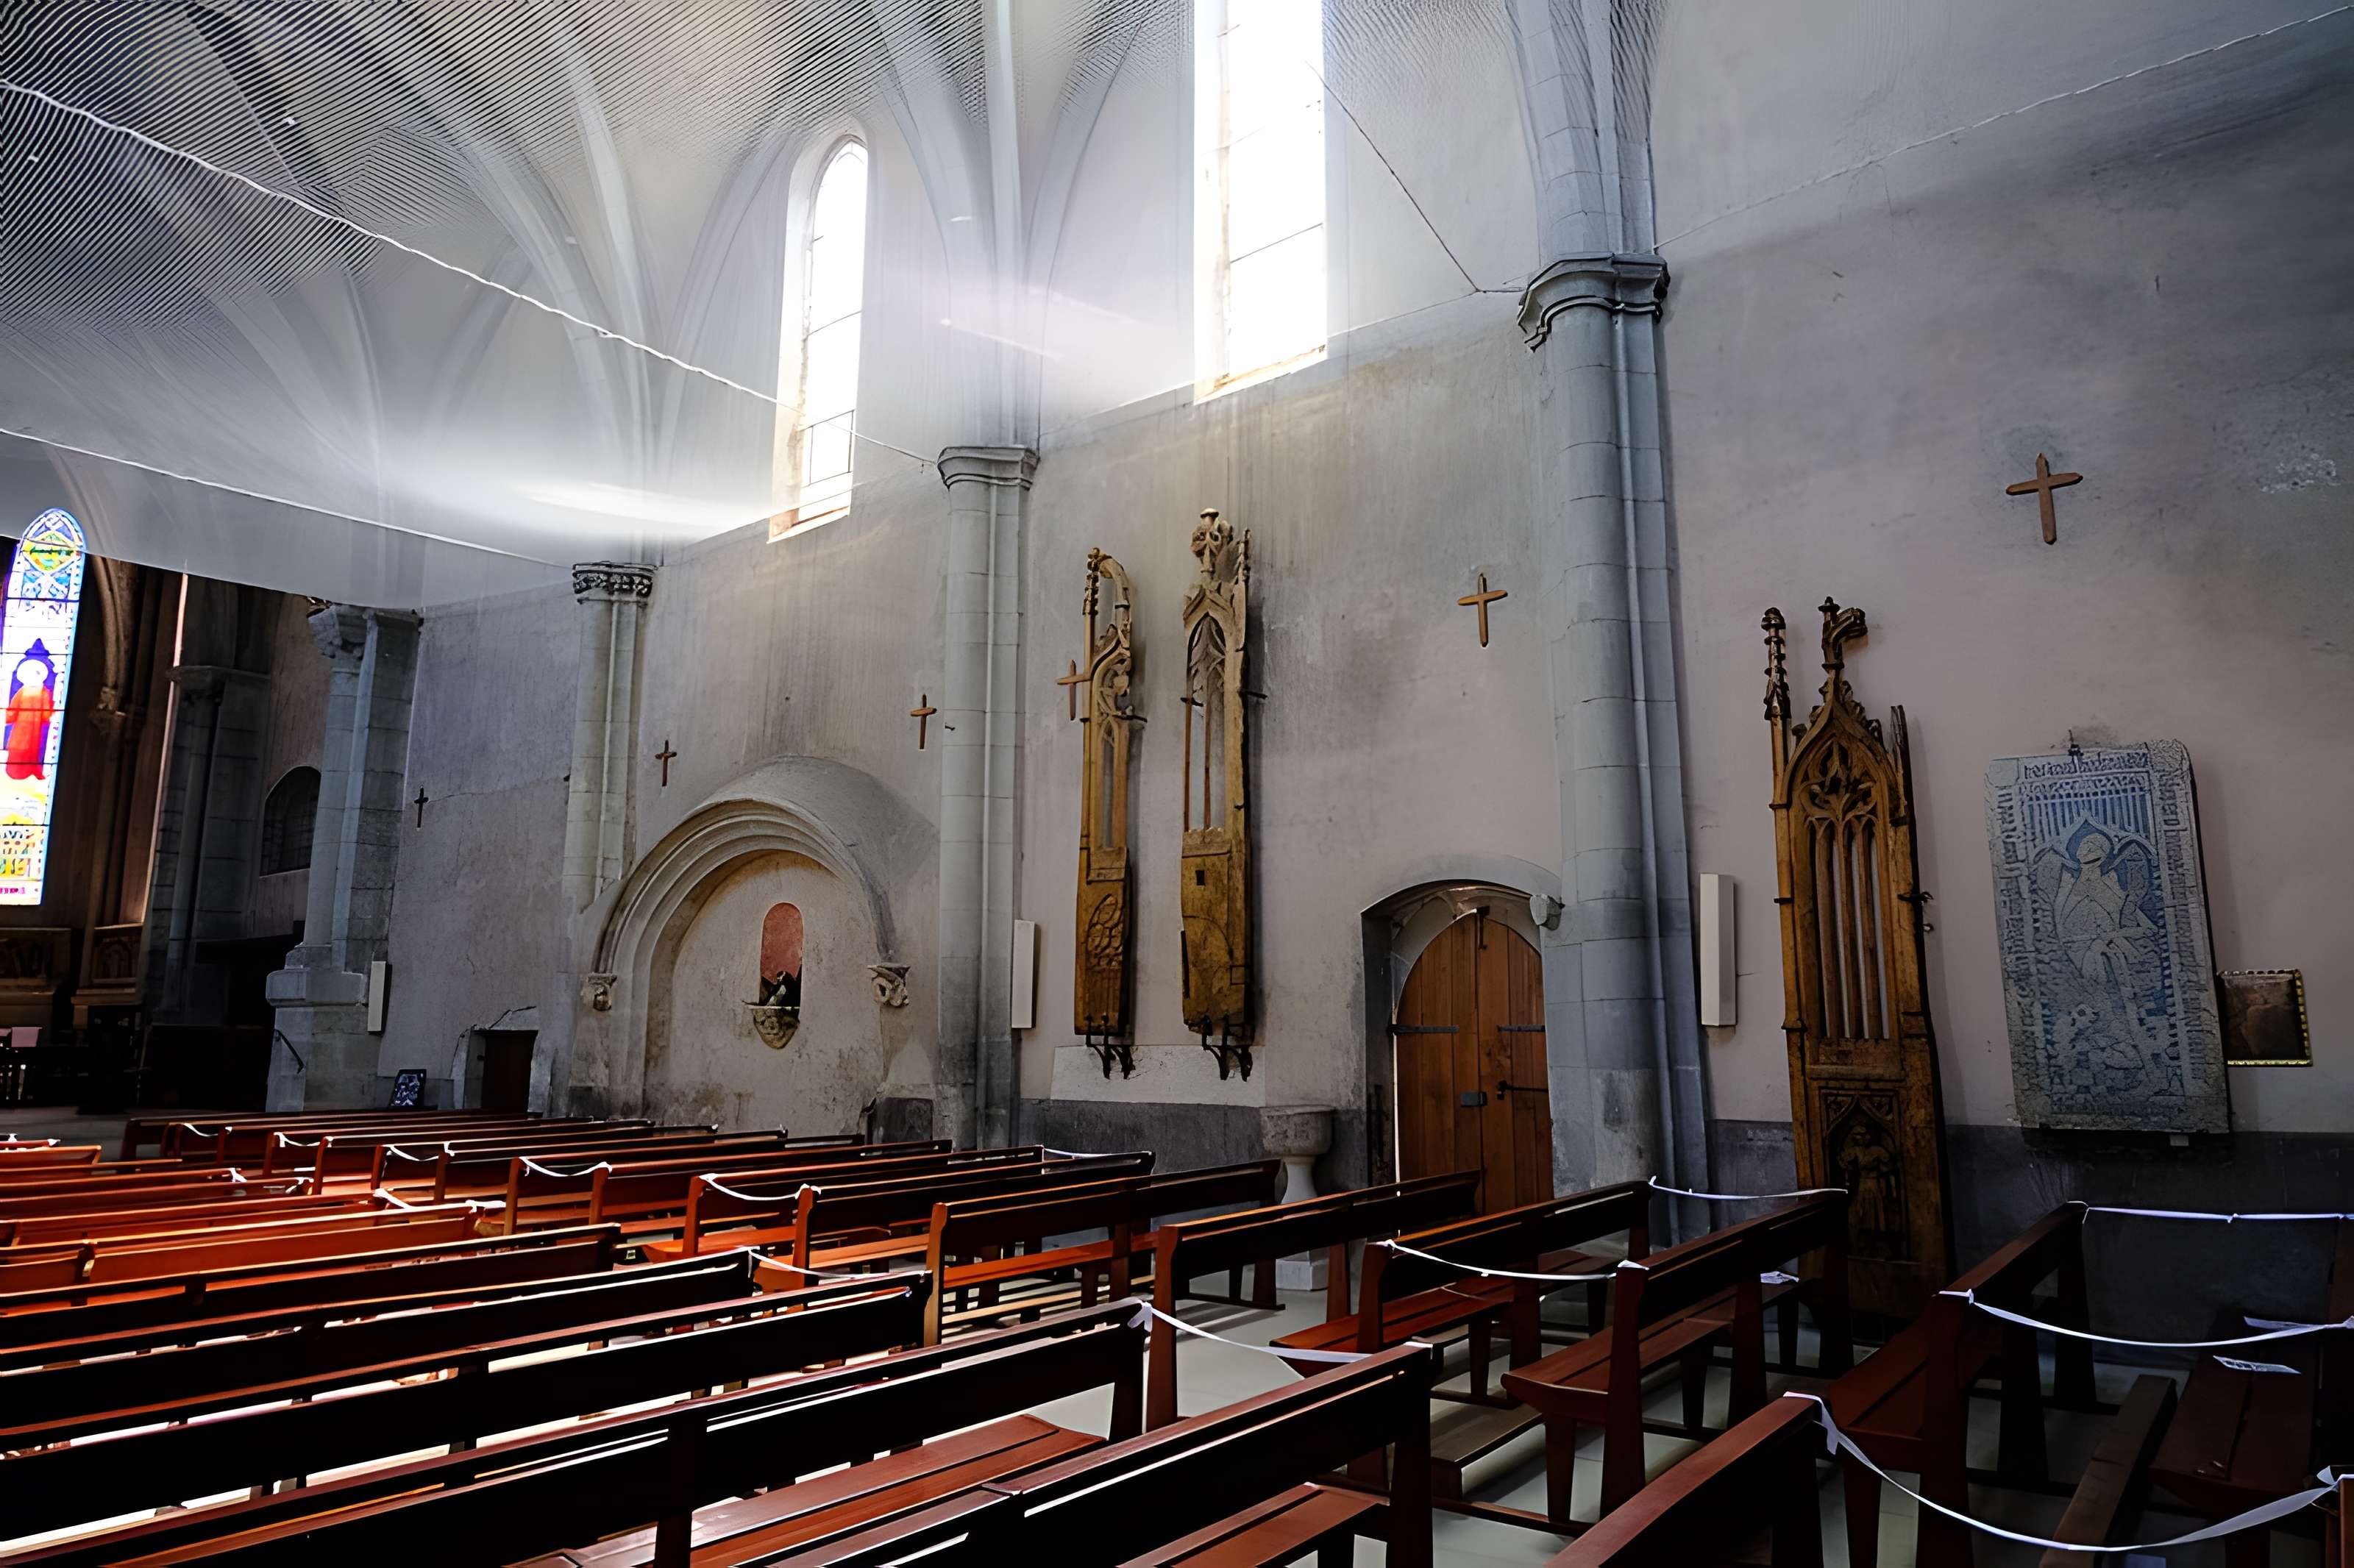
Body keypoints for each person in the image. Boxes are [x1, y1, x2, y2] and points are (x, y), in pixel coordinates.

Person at [3, 643, 58, 782]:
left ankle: (27, 773)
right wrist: (7, 717)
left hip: (35, 729)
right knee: (17, 748)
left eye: (36, 674)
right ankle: (13, 773)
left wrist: (50, 712)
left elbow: (46, 712)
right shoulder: (23, 691)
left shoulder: (44, 692)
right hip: (20, 728)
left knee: (31, 751)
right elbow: (13, 709)